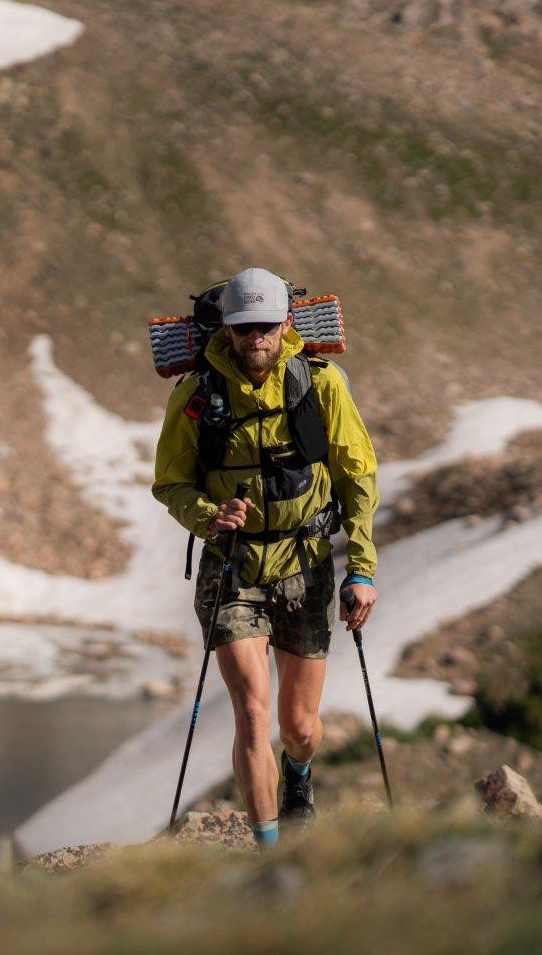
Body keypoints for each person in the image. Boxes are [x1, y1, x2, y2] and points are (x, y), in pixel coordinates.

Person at [152, 267, 379, 849]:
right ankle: (273, 860)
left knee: (298, 728)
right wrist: (209, 515)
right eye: (244, 326)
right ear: (227, 329)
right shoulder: (196, 394)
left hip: (305, 565)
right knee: (252, 714)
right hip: (232, 566)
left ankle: (299, 776)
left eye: (266, 326)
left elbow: (357, 473)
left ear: (285, 324)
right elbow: (170, 483)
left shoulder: (322, 382)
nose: (256, 337)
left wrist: (362, 566)